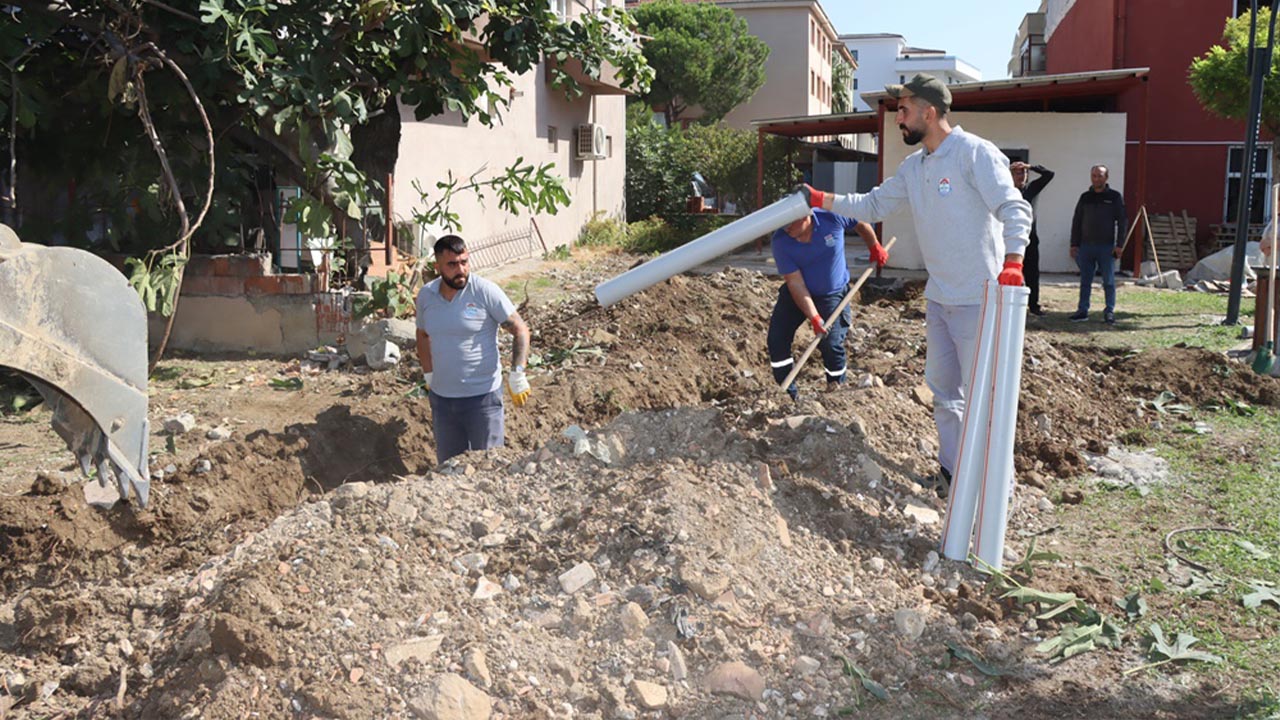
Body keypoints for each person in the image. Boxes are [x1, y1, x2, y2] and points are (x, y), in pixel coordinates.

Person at [794, 73, 1032, 494]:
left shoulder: (973, 153)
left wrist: (1013, 260)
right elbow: (872, 204)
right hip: (940, 298)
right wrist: (821, 200)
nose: (898, 118)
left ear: (930, 111)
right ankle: (953, 473)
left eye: (903, 110)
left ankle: (996, 490)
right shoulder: (914, 166)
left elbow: (1015, 208)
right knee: (945, 394)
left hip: (979, 299)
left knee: (987, 399)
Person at [415, 235, 531, 464]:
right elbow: (422, 334)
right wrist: (429, 374)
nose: (461, 270)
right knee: (449, 469)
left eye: (464, 262)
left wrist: (517, 372)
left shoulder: (485, 292)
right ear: (437, 267)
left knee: (488, 467)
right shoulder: (426, 296)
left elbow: (520, 329)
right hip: (443, 402)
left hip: (483, 400)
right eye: (452, 264)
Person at [768, 209, 887, 399]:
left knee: (831, 344)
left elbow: (861, 224)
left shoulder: (832, 216)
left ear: (805, 215)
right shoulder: (781, 241)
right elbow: (795, 283)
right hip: (797, 293)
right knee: (777, 338)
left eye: (790, 223)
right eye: (783, 224)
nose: (786, 228)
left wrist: (874, 246)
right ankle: (788, 395)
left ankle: (836, 392)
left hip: (832, 294)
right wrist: (814, 317)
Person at [1068, 165, 1126, 324]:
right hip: (1086, 246)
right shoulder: (1085, 197)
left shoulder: (1114, 197)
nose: (1096, 179)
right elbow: (1077, 221)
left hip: (1106, 247)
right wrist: (1074, 244)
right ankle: (1082, 311)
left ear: (1106, 177)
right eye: (1094, 175)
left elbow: (1122, 222)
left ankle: (1109, 311)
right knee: (1085, 281)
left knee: (1108, 281)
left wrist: (1120, 244)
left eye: (1100, 176)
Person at [1010, 161, 1055, 316]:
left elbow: (1049, 174)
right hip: (1009, 239)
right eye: (1017, 173)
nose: (1021, 176)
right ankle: (1010, 303)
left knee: (1032, 273)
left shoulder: (1032, 189)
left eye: (1024, 173)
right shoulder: (1005, 191)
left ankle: (1033, 305)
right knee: (1010, 271)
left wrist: (1030, 166)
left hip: (1030, 238)